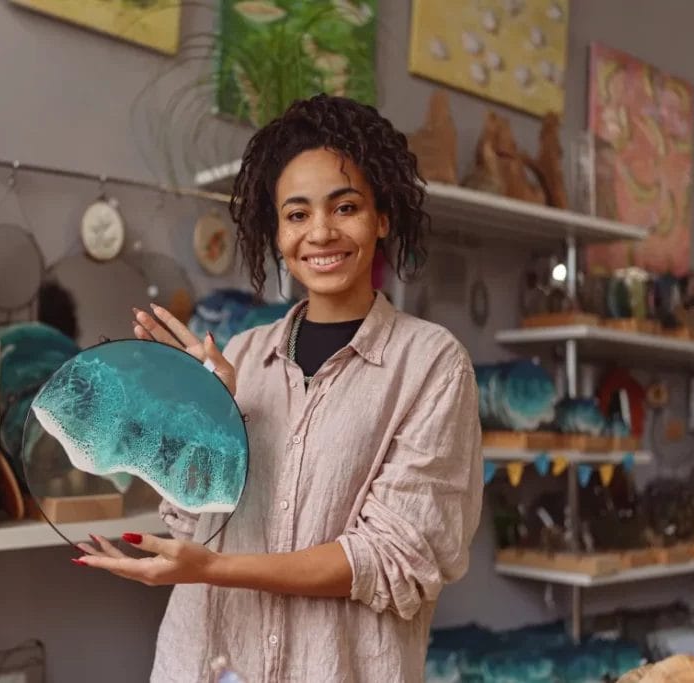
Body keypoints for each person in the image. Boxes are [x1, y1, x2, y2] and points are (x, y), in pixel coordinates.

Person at [75, 94, 483, 682]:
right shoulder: (239, 354)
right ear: (276, 230)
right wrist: (203, 416)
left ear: (382, 216)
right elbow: (192, 525)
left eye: (345, 207)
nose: (320, 232)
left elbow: (392, 560)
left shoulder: (431, 365)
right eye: (296, 215)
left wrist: (216, 569)